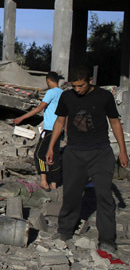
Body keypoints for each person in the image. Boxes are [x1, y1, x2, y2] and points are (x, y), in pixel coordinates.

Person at [46, 67, 128, 254]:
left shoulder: (104, 96)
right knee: (71, 194)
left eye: (81, 85)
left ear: (90, 80)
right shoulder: (66, 97)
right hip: (74, 153)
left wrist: (122, 151)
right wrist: (51, 147)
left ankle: (107, 240)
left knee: (104, 196)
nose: (78, 89)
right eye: (74, 86)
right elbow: (60, 121)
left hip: (100, 153)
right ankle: (65, 230)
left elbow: (115, 122)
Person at [13, 71, 64, 190]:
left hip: (50, 129)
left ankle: (44, 181)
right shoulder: (62, 93)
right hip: (59, 129)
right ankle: (54, 184)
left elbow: (39, 108)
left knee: (39, 154)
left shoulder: (51, 92)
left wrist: (22, 117)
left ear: (48, 80)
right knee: (54, 156)